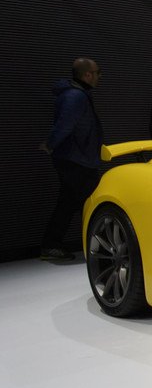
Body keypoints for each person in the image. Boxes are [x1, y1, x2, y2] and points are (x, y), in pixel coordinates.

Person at [39, 58, 103, 261]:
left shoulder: (75, 94)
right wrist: (51, 144)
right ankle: (96, 247)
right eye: (97, 72)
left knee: (70, 202)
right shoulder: (76, 96)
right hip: (77, 159)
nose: (99, 76)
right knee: (86, 202)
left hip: (76, 158)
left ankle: (52, 244)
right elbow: (65, 125)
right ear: (87, 74)